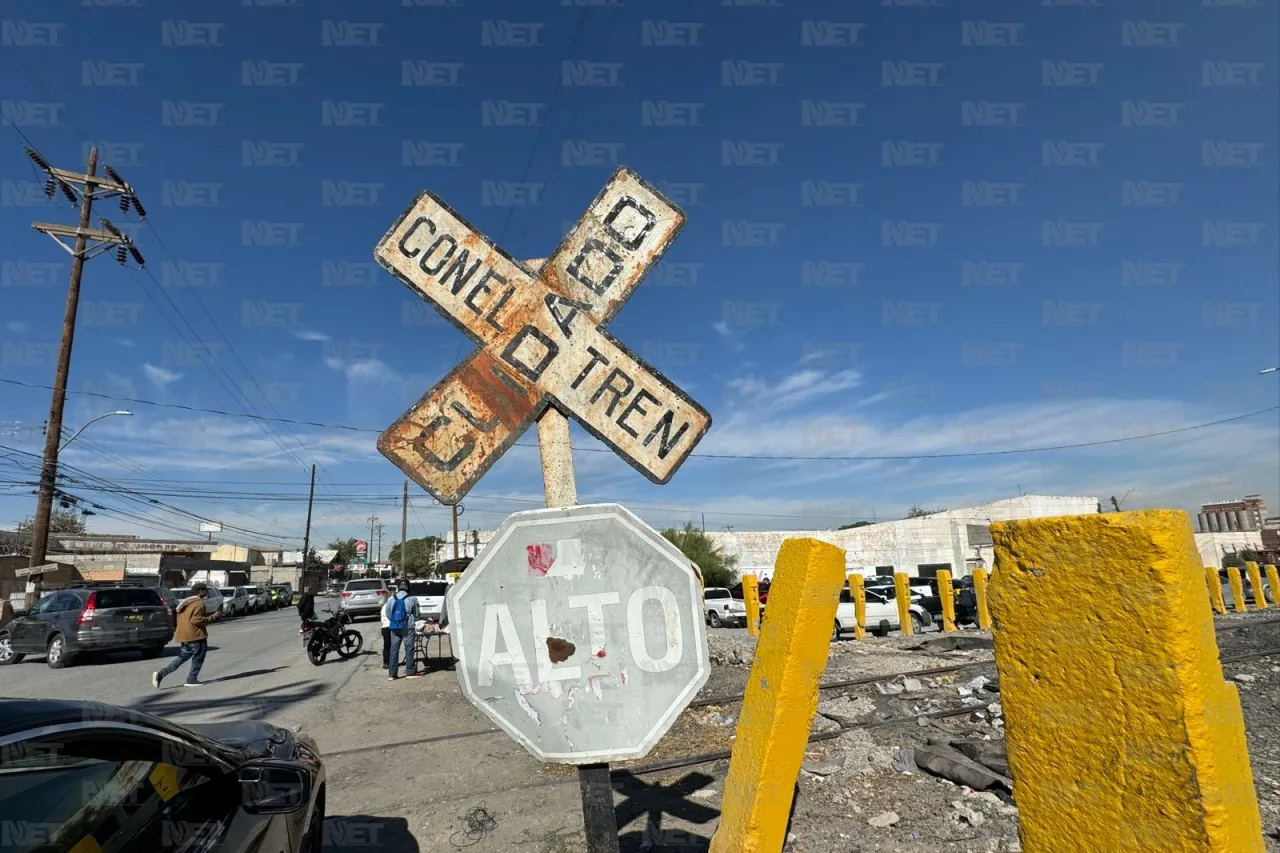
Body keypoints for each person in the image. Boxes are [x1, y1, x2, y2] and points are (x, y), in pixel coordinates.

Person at [152, 582, 219, 688]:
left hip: (184, 635)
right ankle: (192, 679)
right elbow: (196, 620)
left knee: (182, 657)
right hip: (195, 635)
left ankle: (161, 674)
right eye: (205, 590)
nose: (206, 592)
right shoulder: (198, 603)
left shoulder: (185, 602)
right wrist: (213, 617)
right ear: (200, 591)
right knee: (198, 657)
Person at [383, 582, 421, 680]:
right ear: (408, 588)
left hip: (395, 627)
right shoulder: (412, 599)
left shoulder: (391, 599)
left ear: (398, 588)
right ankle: (410, 671)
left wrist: (395, 621)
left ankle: (392, 674)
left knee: (394, 650)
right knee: (409, 648)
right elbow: (417, 614)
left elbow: (388, 614)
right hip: (407, 627)